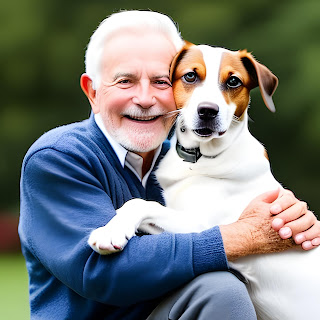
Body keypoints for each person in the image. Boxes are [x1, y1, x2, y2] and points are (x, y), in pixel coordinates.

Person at [19, 10, 320, 320]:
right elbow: (97, 272)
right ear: (93, 92)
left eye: (161, 81)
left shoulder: (185, 161)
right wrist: (241, 237)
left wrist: (297, 225)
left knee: (219, 287)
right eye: (126, 81)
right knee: (219, 289)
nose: (146, 98)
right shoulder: (58, 158)